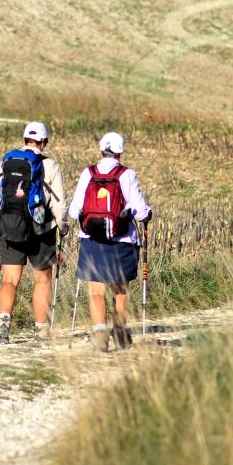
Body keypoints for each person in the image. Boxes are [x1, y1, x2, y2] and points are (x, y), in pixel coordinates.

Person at [68, 131, 151, 352]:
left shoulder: (88, 173)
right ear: (120, 152)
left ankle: (100, 336)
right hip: (121, 241)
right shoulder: (127, 174)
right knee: (120, 290)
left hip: (91, 240)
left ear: (100, 150)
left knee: (95, 291)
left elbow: (74, 211)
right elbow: (141, 213)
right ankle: (121, 334)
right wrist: (147, 213)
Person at [0, 121, 68, 344]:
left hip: (10, 226)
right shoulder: (50, 165)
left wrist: (5, 219)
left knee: (10, 280)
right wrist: (62, 227)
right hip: (41, 230)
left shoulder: (7, 160)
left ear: (24, 139)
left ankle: (2, 328)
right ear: (44, 142)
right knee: (42, 280)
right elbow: (59, 204)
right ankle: (41, 331)